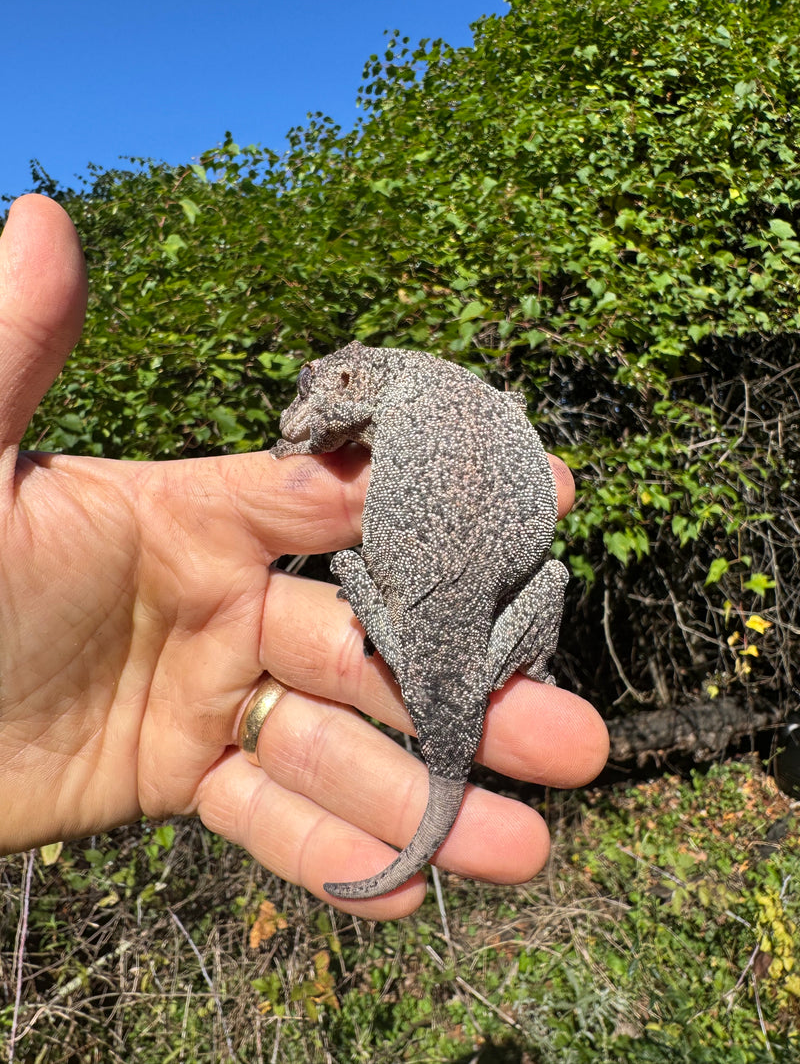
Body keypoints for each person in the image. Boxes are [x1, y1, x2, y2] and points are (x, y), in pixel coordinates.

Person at [0, 194, 609, 918]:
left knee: (379, 585)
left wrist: (319, 450)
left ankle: (425, 639)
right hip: (475, 610)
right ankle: (499, 660)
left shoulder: (395, 393)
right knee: (543, 580)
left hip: (439, 604)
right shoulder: (438, 384)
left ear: (348, 378)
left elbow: (327, 427)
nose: (298, 419)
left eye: (310, 394)